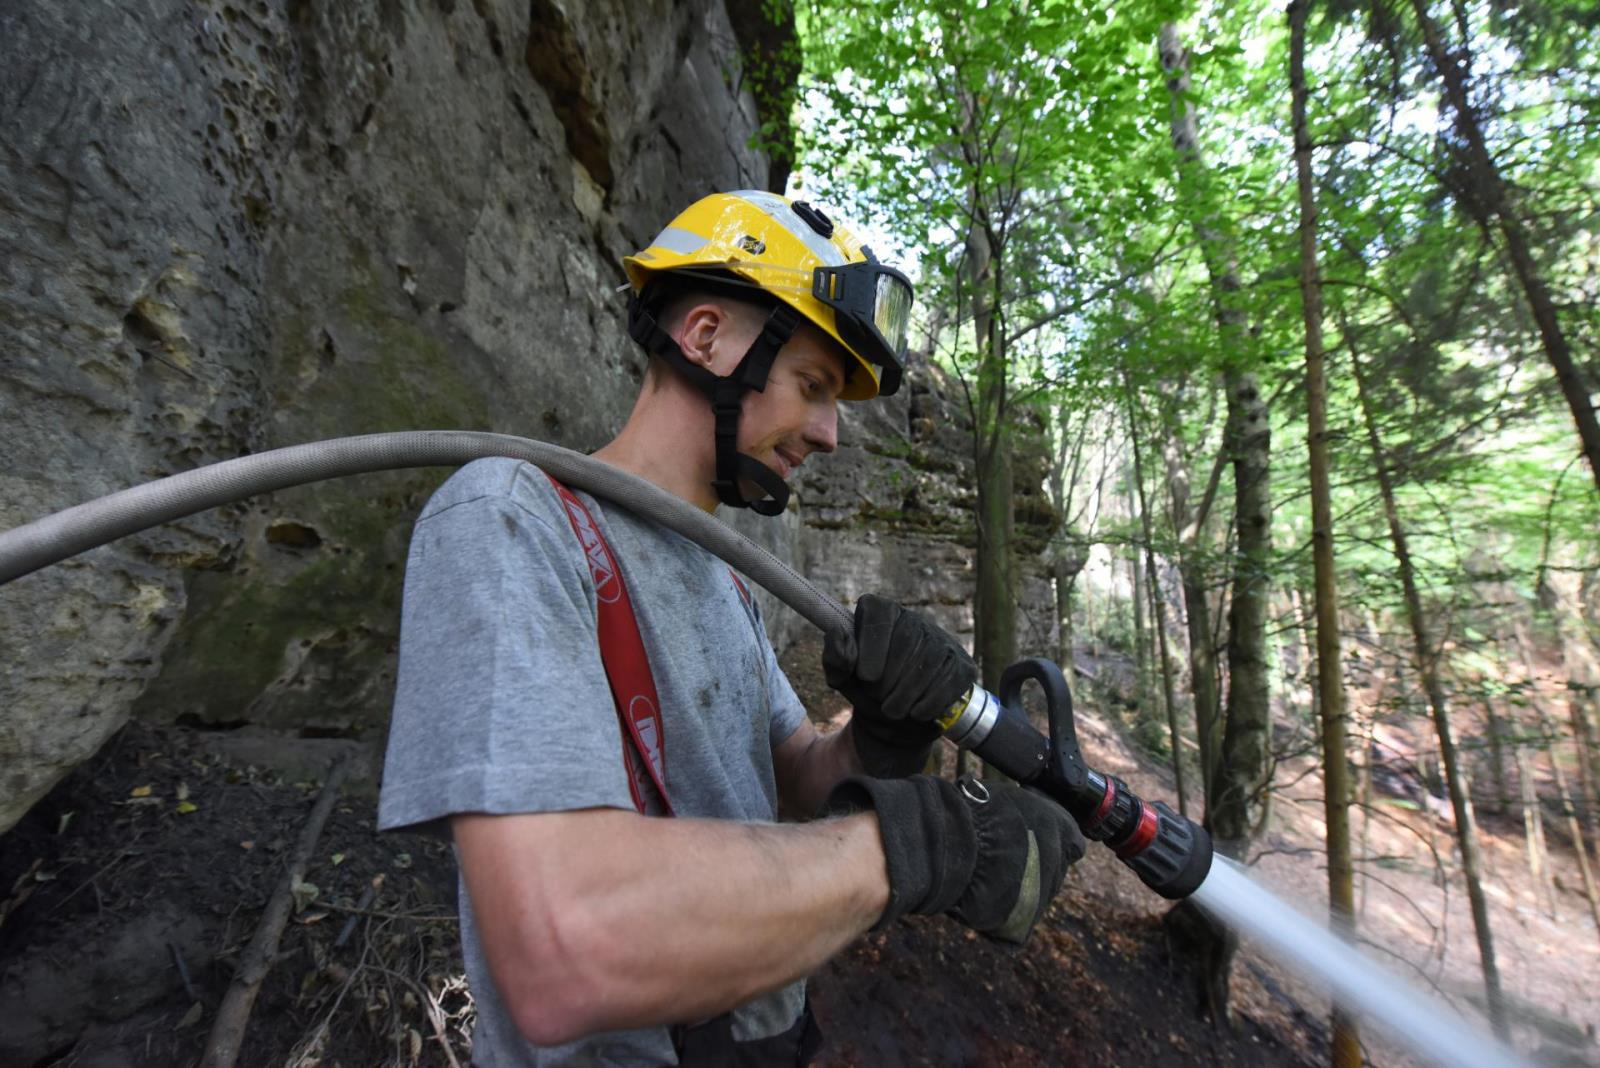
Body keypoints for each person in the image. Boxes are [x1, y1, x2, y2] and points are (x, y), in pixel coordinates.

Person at [377, 191, 1084, 1066]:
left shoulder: (721, 576)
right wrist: (911, 845)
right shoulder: (513, 520)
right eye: (814, 387)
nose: (828, 434)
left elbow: (796, 779)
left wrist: (879, 740)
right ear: (706, 337)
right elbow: (563, 949)